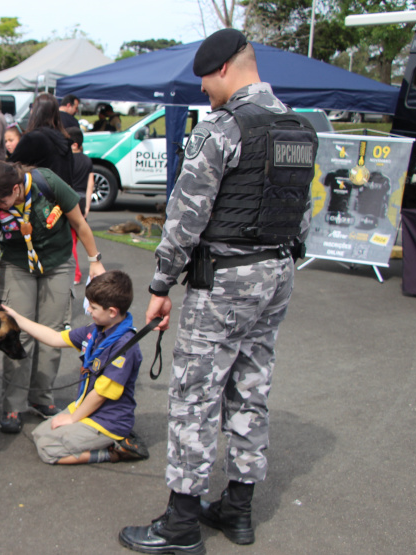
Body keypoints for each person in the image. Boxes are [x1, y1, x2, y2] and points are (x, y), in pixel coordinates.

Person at [118, 29, 318, 554]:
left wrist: (161, 285)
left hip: (225, 281)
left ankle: (181, 525)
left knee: (195, 397)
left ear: (226, 69)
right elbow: (303, 216)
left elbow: (184, 219)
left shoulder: (222, 130)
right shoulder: (299, 128)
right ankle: (239, 509)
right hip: (276, 275)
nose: (203, 89)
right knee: (251, 386)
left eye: (205, 78)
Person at [0, 161, 106, 434]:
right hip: (18, 265)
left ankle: (42, 398)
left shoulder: (48, 183)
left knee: (53, 332)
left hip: (57, 262)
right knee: (17, 334)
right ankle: (13, 404)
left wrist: (95, 260)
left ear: (16, 188)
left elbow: (79, 222)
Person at [0, 270, 147, 464]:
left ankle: (114, 451)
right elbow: (54, 338)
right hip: (87, 408)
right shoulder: (95, 330)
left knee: (48, 449)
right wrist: (17, 319)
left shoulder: (125, 347)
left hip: (108, 420)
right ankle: (92, 437)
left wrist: (73, 418)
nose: (89, 311)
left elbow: (100, 394)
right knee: (39, 434)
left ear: (112, 311)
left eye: (93, 308)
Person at [8, 93, 74, 186]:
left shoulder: (33, 138)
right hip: (63, 196)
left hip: (41, 195)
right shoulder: (64, 138)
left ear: (35, 112)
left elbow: (11, 168)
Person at [68, 127, 95, 284]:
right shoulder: (87, 160)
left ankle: (76, 274)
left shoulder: (67, 160)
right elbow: (90, 184)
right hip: (83, 200)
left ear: (74, 144)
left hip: (70, 200)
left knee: (70, 241)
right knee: (79, 239)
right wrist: (87, 207)